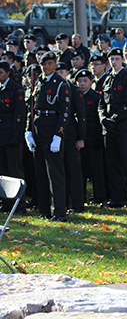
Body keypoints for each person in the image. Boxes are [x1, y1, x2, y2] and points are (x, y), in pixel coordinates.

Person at [25, 51, 70, 222]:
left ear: (56, 65)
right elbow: (32, 108)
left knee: (55, 174)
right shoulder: (39, 82)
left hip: (52, 130)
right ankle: (45, 209)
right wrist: (28, 131)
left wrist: (58, 135)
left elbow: (64, 113)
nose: (46, 67)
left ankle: (58, 211)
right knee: (41, 173)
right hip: (39, 130)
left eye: (50, 63)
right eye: (44, 64)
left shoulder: (60, 84)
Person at [98, 47, 127, 209]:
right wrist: (103, 118)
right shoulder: (107, 79)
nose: (114, 61)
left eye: (117, 58)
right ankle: (117, 198)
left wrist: (113, 120)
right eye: (111, 59)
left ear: (122, 60)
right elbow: (101, 104)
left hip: (122, 128)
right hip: (108, 129)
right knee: (112, 165)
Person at [56, 62, 87, 214]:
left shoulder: (74, 90)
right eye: (58, 71)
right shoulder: (55, 88)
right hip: (57, 135)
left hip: (71, 134)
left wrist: (81, 137)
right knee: (61, 169)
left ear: (67, 73)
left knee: (74, 169)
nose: (60, 74)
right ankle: (64, 201)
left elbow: (81, 115)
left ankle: (78, 203)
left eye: (62, 71)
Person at [75, 69, 106, 205]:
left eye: (85, 81)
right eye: (80, 81)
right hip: (78, 138)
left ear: (91, 82)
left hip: (93, 138)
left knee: (96, 169)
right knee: (80, 169)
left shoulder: (96, 97)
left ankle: (99, 196)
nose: (82, 84)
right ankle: (80, 197)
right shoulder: (74, 96)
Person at [0, 61, 26, 214]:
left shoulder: (16, 90)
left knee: (15, 172)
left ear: (8, 73)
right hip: (1, 136)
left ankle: (19, 205)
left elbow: (19, 115)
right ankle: (6, 204)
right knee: (2, 172)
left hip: (12, 136)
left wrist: (16, 137)